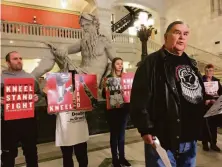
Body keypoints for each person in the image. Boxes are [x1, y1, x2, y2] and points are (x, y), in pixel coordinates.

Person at [130, 21, 206, 167]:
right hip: (162, 138)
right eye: (177, 32)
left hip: (190, 138)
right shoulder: (151, 63)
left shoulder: (192, 63)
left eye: (185, 34)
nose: (182, 37)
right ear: (166, 37)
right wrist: (146, 129)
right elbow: (139, 100)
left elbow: (196, 92)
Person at [1, 51, 41, 167]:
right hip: (9, 122)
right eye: (15, 59)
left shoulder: (31, 77)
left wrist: (37, 97)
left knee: (31, 152)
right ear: (8, 62)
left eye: (20, 58)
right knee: (8, 154)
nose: (19, 61)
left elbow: (40, 94)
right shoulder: (1, 78)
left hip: (28, 121)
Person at [43, 70, 89, 167]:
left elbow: (91, 107)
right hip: (65, 129)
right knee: (67, 157)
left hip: (79, 128)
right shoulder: (57, 92)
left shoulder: (82, 90)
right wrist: (49, 96)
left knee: (82, 157)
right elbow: (51, 111)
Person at [102, 57, 131, 167]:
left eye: (121, 64)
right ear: (113, 65)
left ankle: (122, 158)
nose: (120, 65)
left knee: (122, 135)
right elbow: (105, 96)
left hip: (124, 110)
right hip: (112, 111)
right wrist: (105, 89)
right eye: (118, 63)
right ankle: (115, 159)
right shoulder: (109, 78)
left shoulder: (125, 78)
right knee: (114, 135)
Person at [202, 64, 222, 152]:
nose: (208, 72)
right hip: (204, 107)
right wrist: (204, 100)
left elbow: (220, 93)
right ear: (204, 71)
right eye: (206, 70)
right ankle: (205, 143)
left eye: (210, 70)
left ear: (213, 71)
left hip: (214, 107)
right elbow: (198, 93)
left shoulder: (217, 81)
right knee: (205, 126)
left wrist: (216, 100)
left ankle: (213, 143)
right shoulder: (200, 81)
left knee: (213, 126)